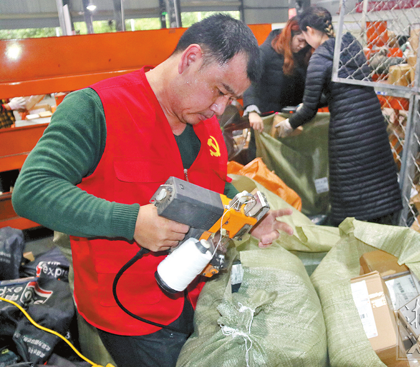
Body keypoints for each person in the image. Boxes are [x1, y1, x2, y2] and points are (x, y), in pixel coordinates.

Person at [12, 14, 293, 367]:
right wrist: (131, 221)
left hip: (197, 298)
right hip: (130, 313)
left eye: (232, 99)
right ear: (190, 59)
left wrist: (249, 213)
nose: (220, 109)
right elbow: (33, 190)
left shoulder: (204, 122)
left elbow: (213, 183)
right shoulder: (96, 109)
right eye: (219, 91)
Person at [275, 6, 402, 226]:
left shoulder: (320, 57)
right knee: (377, 175)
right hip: (371, 120)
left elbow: (309, 109)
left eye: (304, 36)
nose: (305, 42)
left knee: (350, 181)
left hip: (348, 130)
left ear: (309, 30)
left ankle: (353, 227)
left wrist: (289, 123)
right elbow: (344, 89)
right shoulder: (351, 44)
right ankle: (386, 225)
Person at [242, 16, 312, 161]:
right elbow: (251, 81)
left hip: (290, 121)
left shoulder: (302, 55)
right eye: (300, 41)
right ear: (289, 36)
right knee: (263, 162)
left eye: (306, 43)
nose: (302, 46)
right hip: (265, 121)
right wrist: (252, 110)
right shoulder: (265, 52)